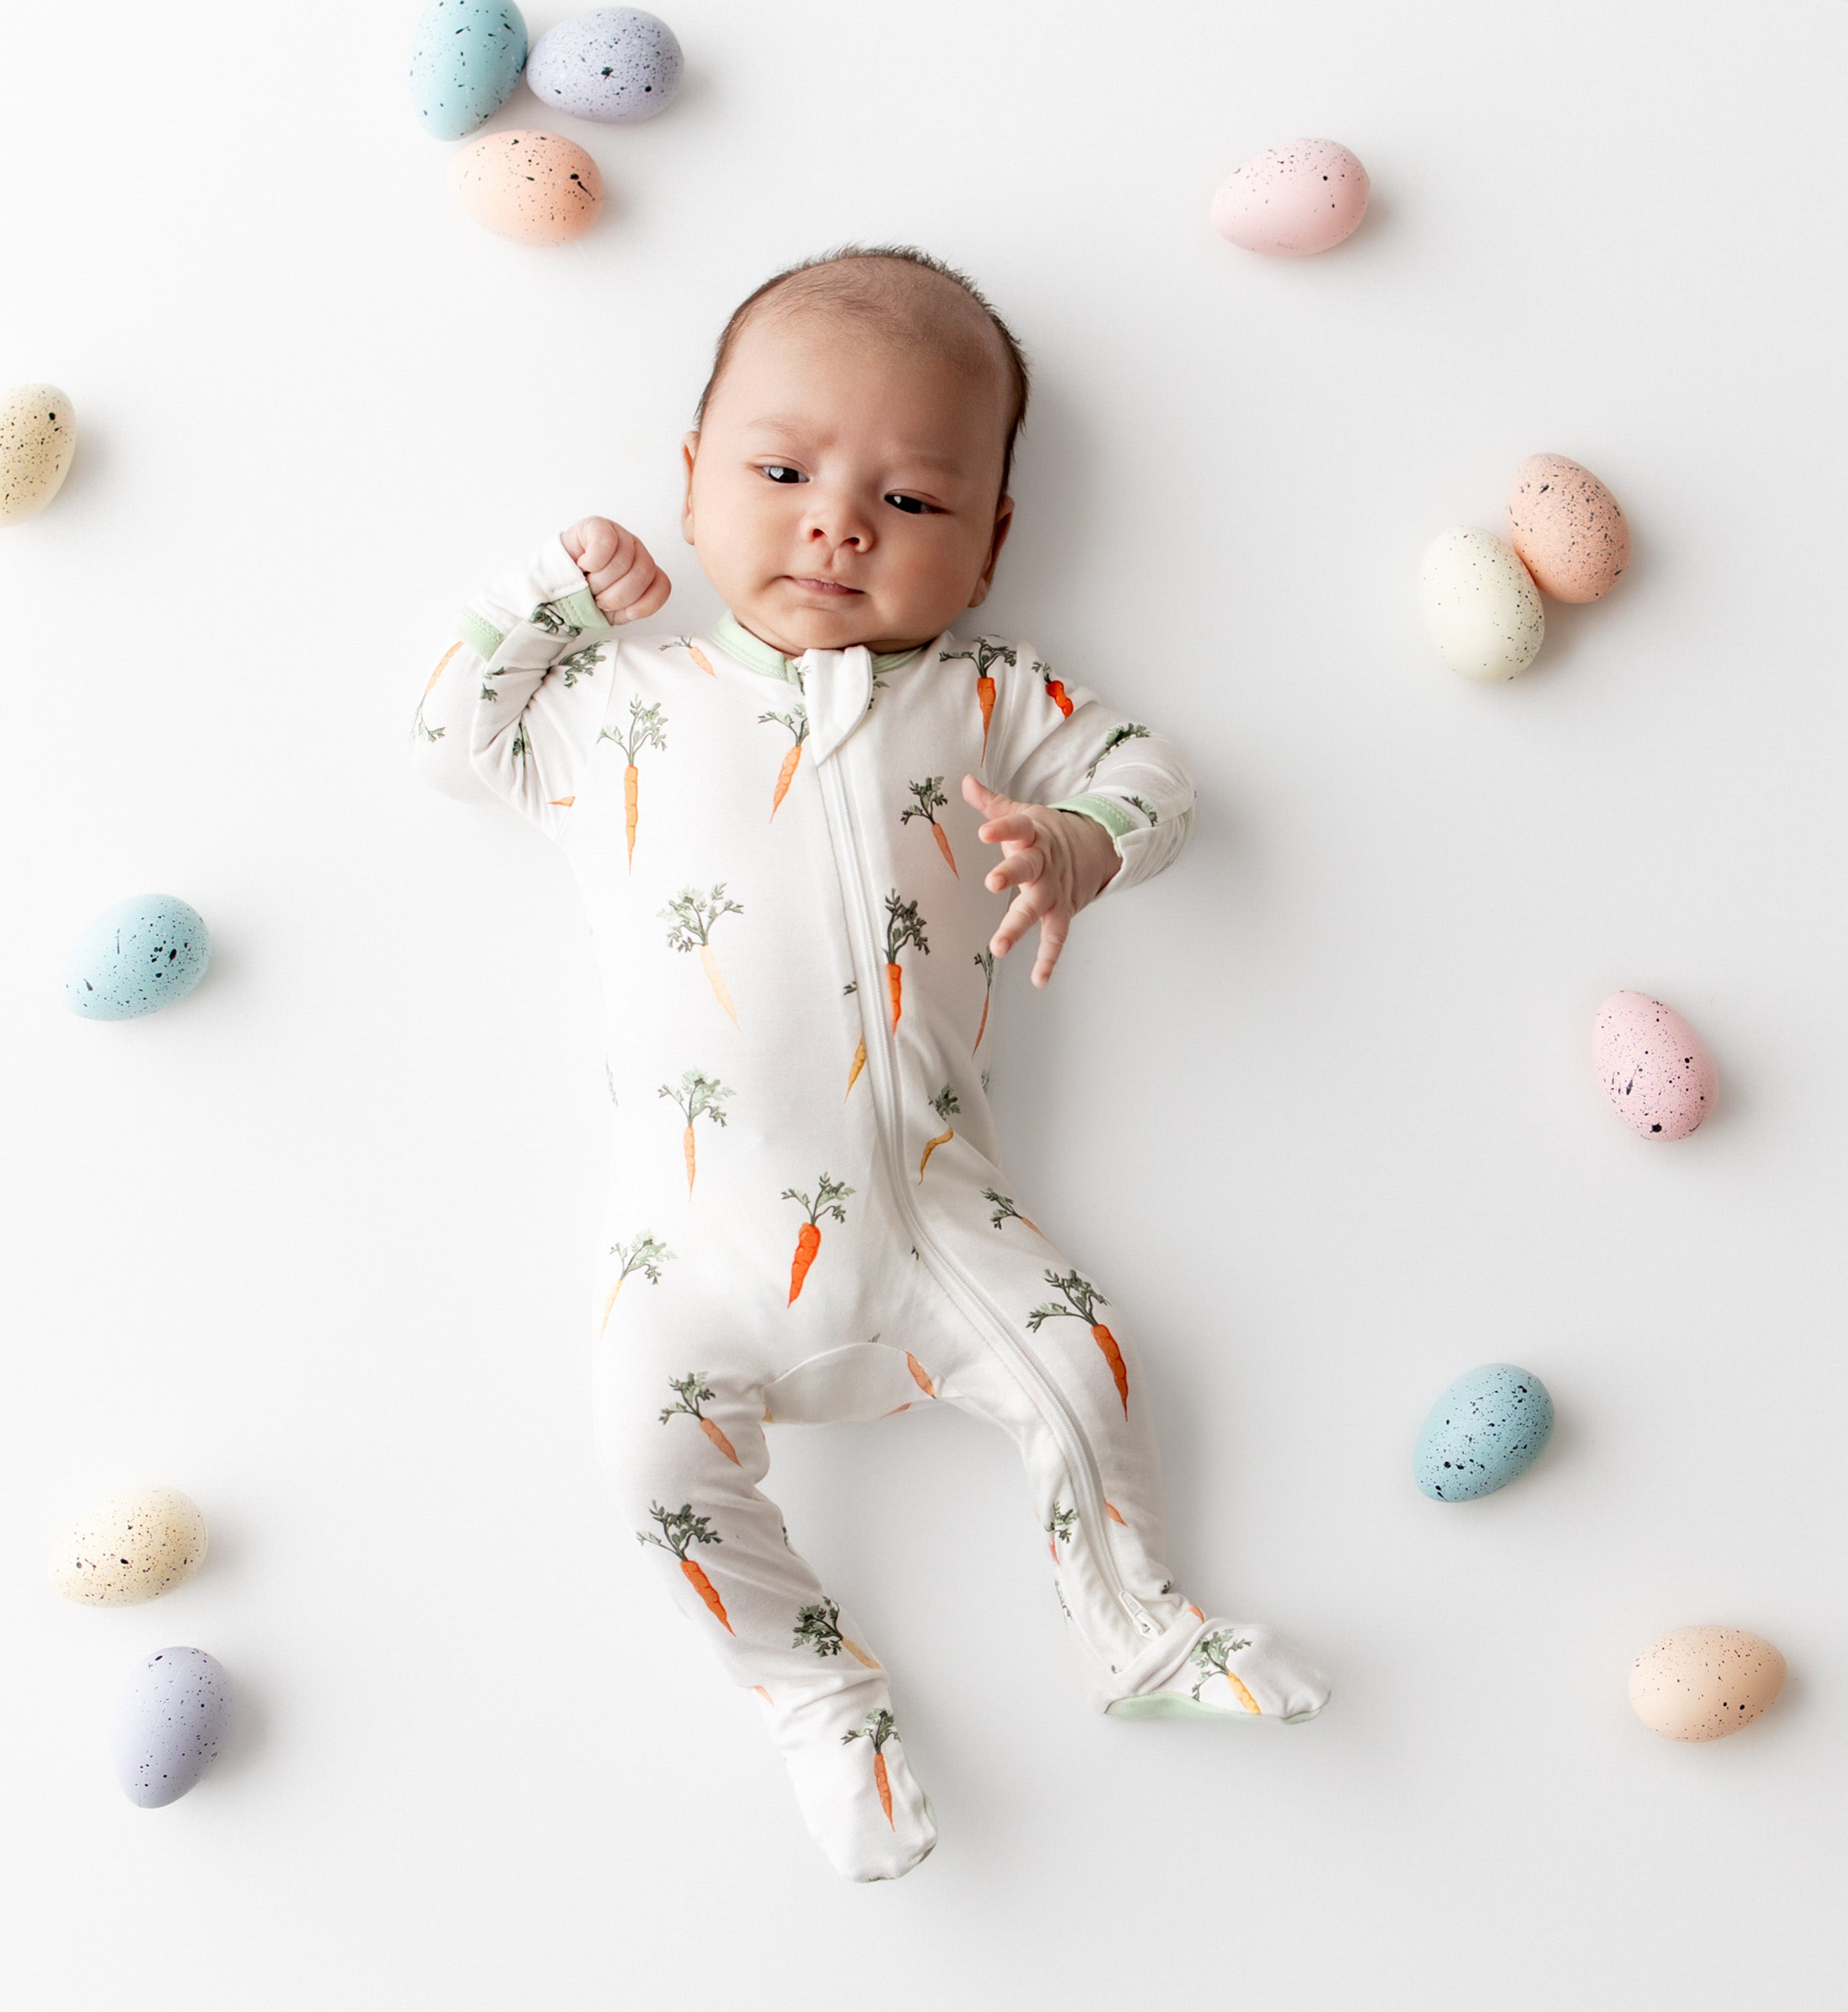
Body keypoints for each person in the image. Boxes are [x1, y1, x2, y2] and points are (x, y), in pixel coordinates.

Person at [412, 244, 1329, 1882]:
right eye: (780, 473)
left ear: (992, 543)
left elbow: (1154, 774)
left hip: (930, 1219)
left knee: (1091, 1375)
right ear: (689, 483)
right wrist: (545, 597)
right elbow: (448, 733)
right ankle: (819, 1696)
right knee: (649, 1460)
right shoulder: (623, 706)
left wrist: (1078, 842)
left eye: (912, 501)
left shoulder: (984, 699)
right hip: (686, 1249)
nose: (838, 523)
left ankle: (1135, 1631)